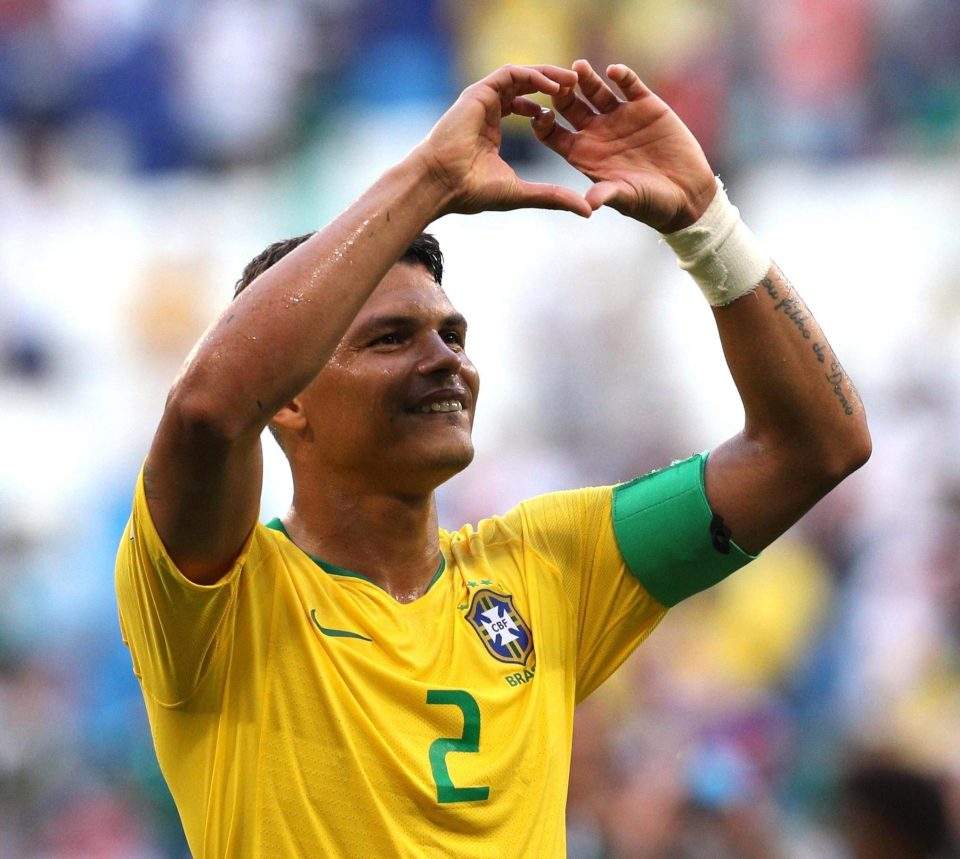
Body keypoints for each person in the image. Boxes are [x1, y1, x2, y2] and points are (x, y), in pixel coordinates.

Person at [115, 60, 871, 857]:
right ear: (289, 399)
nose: (446, 359)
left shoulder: (549, 565)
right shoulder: (217, 597)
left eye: (453, 334)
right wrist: (430, 177)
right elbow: (207, 411)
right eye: (390, 339)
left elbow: (817, 444)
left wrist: (704, 221)